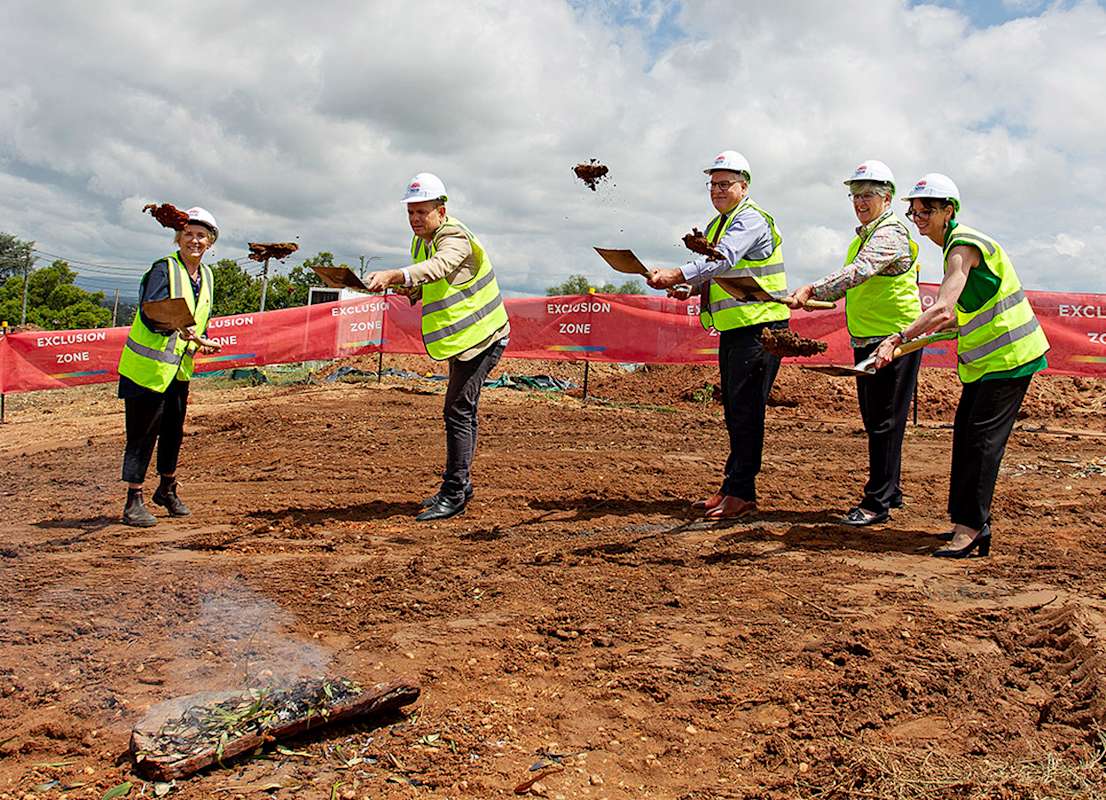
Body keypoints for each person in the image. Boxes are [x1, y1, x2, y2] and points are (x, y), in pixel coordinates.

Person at [871, 174, 1049, 558]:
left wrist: (898, 338)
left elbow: (942, 309)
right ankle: (968, 522)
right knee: (966, 437)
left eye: (926, 210)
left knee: (981, 443)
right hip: (989, 363)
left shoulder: (962, 245)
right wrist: (906, 343)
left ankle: (971, 529)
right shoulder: (955, 247)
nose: (918, 217)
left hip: (1011, 359)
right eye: (914, 210)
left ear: (948, 210)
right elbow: (953, 322)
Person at [648, 151, 789, 519]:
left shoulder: (750, 221)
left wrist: (677, 274)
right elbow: (718, 275)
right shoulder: (720, 223)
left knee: (746, 412)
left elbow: (722, 260)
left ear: (745, 186)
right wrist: (691, 290)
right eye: (712, 184)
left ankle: (741, 494)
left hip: (762, 328)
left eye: (725, 184)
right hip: (738, 329)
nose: (717, 190)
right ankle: (732, 487)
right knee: (736, 411)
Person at [363, 173, 510, 522]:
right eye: (410, 213)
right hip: (465, 340)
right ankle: (461, 484)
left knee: (457, 410)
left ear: (441, 211)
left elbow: (441, 266)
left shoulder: (454, 236)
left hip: (484, 337)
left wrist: (396, 275)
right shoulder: (421, 243)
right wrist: (406, 289)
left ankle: (455, 492)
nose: (415, 219)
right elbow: (431, 283)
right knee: (463, 409)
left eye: (422, 212)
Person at [786, 161, 921, 527]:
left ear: (887, 198)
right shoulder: (866, 235)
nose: (860, 202)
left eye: (869, 195)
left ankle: (877, 503)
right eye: (855, 195)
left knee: (883, 421)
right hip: (871, 337)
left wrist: (813, 289)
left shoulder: (890, 233)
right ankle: (890, 490)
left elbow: (859, 272)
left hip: (892, 339)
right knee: (879, 419)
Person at [118, 208, 222, 527]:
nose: (195, 240)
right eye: (188, 233)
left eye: (201, 235)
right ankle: (133, 500)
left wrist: (202, 338)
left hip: (178, 370)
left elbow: (199, 316)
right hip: (146, 370)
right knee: (142, 434)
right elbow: (152, 311)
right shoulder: (163, 269)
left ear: (210, 242)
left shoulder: (207, 276)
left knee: (173, 432)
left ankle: (166, 488)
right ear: (178, 237)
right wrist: (184, 330)